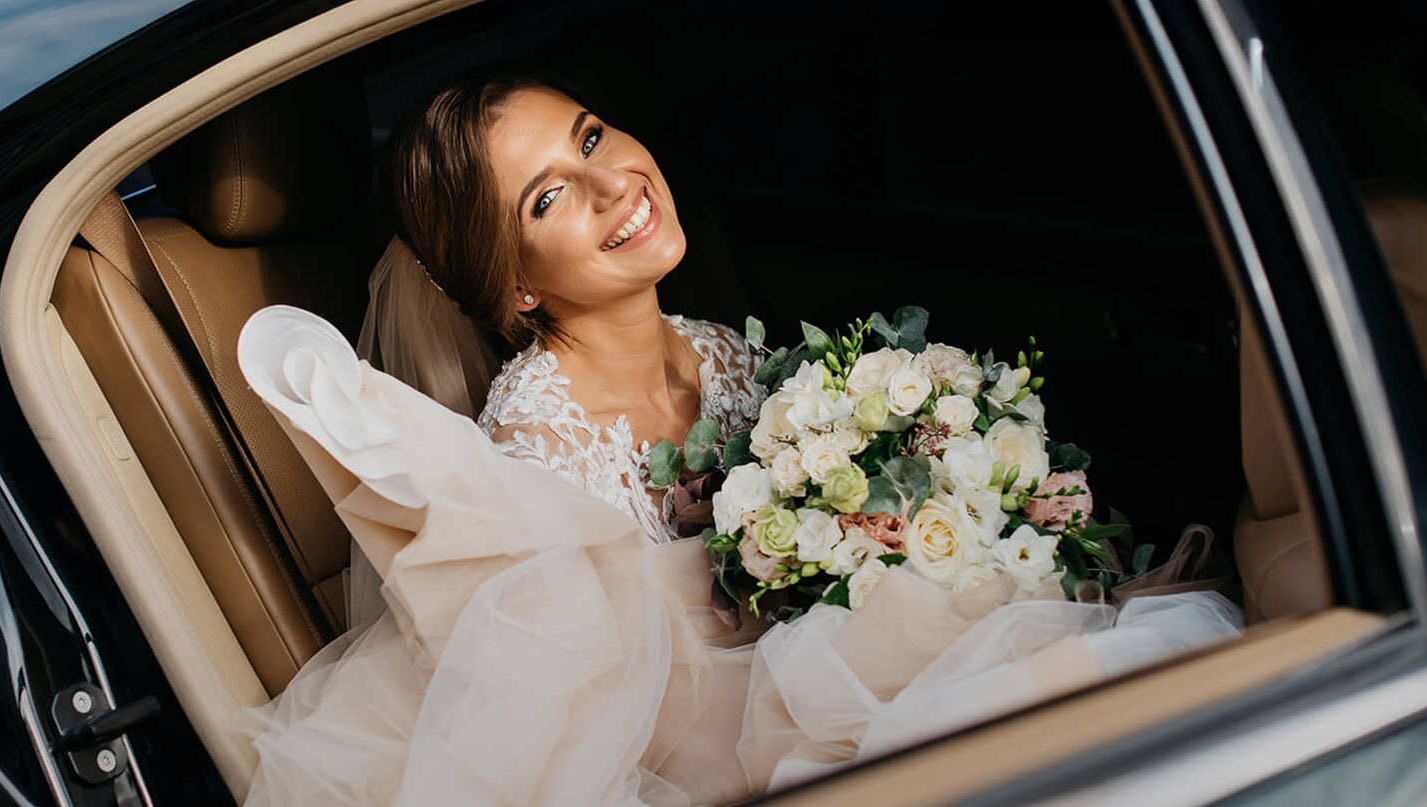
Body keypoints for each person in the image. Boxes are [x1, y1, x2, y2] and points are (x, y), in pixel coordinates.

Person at [236, 73, 1242, 806]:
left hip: (830, 686)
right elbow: (605, 704)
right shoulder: (538, 436)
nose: (608, 185)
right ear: (517, 286)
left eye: (590, 139)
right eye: (547, 197)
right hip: (718, 756)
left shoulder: (717, 349)